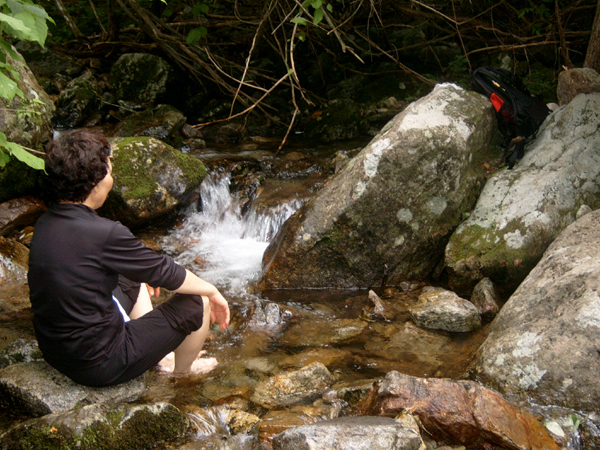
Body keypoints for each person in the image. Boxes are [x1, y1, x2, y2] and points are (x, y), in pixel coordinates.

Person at [27, 129, 230, 387]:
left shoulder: (45, 223)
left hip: (57, 352)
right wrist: (212, 291)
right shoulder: (105, 233)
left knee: (130, 276)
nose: (112, 178)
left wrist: (141, 272)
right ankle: (180, 375)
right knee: (197, 301)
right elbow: (166, 272)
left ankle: (160, 355)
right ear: (96, 182)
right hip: (101, 364)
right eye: (110, 171)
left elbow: (145, 269)